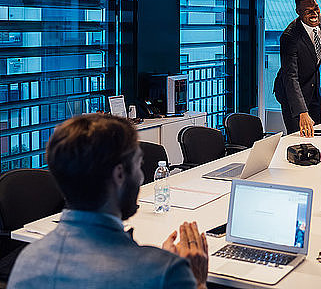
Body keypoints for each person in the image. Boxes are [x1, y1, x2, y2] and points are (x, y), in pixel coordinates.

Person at [8, 114, 208, 289]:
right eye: (139, 164)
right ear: (119, 174)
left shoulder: (27, 263)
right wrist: (196, 281)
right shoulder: (167, 272)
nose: (140, 177)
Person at [274, 0, 321, 137]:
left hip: (312, 88)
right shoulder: (289, 37)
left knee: (316, 133)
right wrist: (302, 111)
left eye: (316, 9)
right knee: (297, 138)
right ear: (298, 12)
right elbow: (290, 77)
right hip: (292, 94)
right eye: (308, 11)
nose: (314, 14)